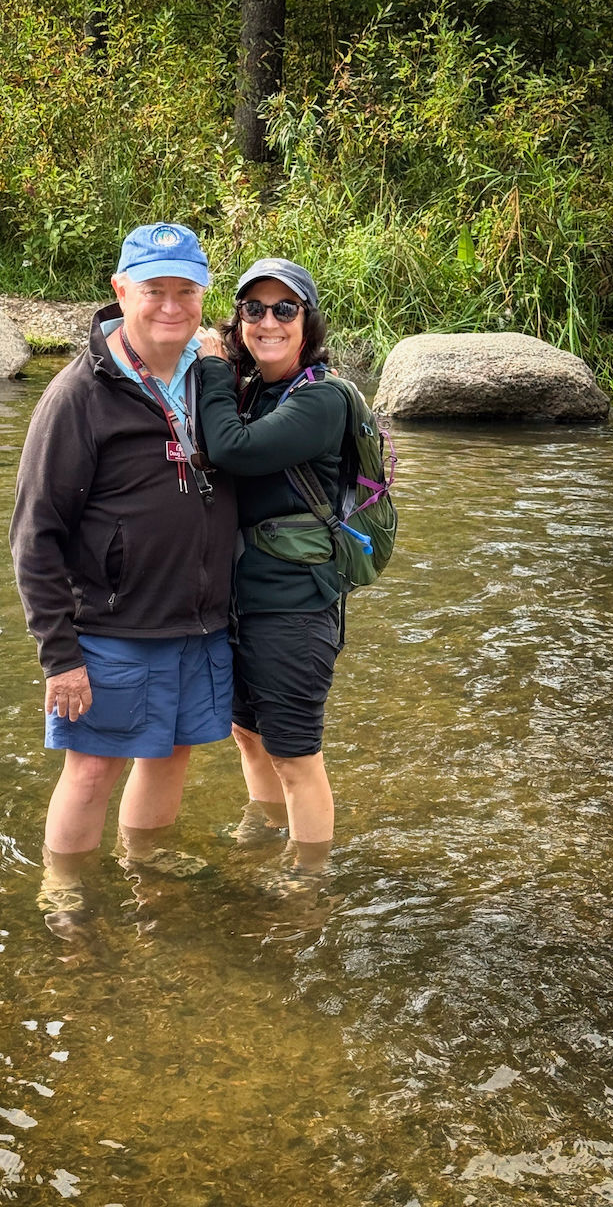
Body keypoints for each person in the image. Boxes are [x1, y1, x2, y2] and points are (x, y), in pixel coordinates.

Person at [10, 223, 237, 932]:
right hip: (110, 627)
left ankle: (146, 858)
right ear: (120, 291)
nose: (171, 305)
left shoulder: (211, 376)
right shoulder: (78, 394)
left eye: (185, 290)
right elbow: (33, 536)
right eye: (153, 290)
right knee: (91, 768)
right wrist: (61, 657)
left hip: (198, 619)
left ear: (203, 294)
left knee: (173, 751)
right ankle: (64, 885)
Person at [195, 258, 347, 886]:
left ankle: (309, 878)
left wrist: (209, 369)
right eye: (253, 309)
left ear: (307, 323)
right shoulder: (255, 389)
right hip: (243, 600)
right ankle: (265, 829)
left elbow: (235, 449)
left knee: (295, 755)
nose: (268, 321)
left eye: (285, 309)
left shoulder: (323, 398)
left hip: (296, 607)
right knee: (246, 735)